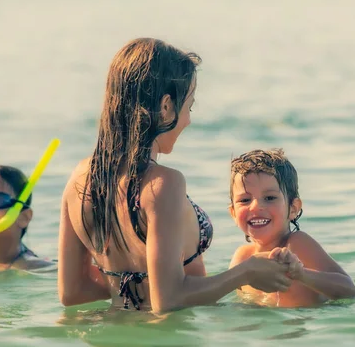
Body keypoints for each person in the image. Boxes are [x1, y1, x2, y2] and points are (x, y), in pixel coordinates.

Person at [58, 37, 294, 313]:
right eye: (189, 106)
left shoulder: (80, 177)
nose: (189, 120)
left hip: (112, 344)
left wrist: (131, 286)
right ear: (167, 106)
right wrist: (245, 273)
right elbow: (167, 301)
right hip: (167, 346)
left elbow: (72, 292)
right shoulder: (163, 183)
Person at [228, 149, 355, 307]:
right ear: (233, 213)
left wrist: (301, 274)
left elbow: (349, 290)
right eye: (245, 200)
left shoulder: (296, 244)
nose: (255, 207)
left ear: (293, 208)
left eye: (269, 198)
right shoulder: (242, 258)